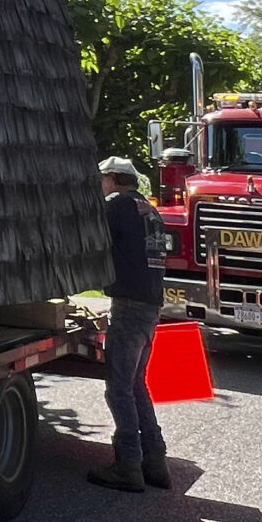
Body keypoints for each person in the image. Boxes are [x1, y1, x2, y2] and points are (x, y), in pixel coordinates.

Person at [88, 155, 169, 493]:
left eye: (102, 179)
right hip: (151, 304)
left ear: (114, 180)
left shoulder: (116, 204)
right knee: (137, 384)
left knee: (118, 387)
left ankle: (128, 465)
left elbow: (88, 233)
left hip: (129, 305)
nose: (101, 186)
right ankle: (155, 461)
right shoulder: (150, 210)